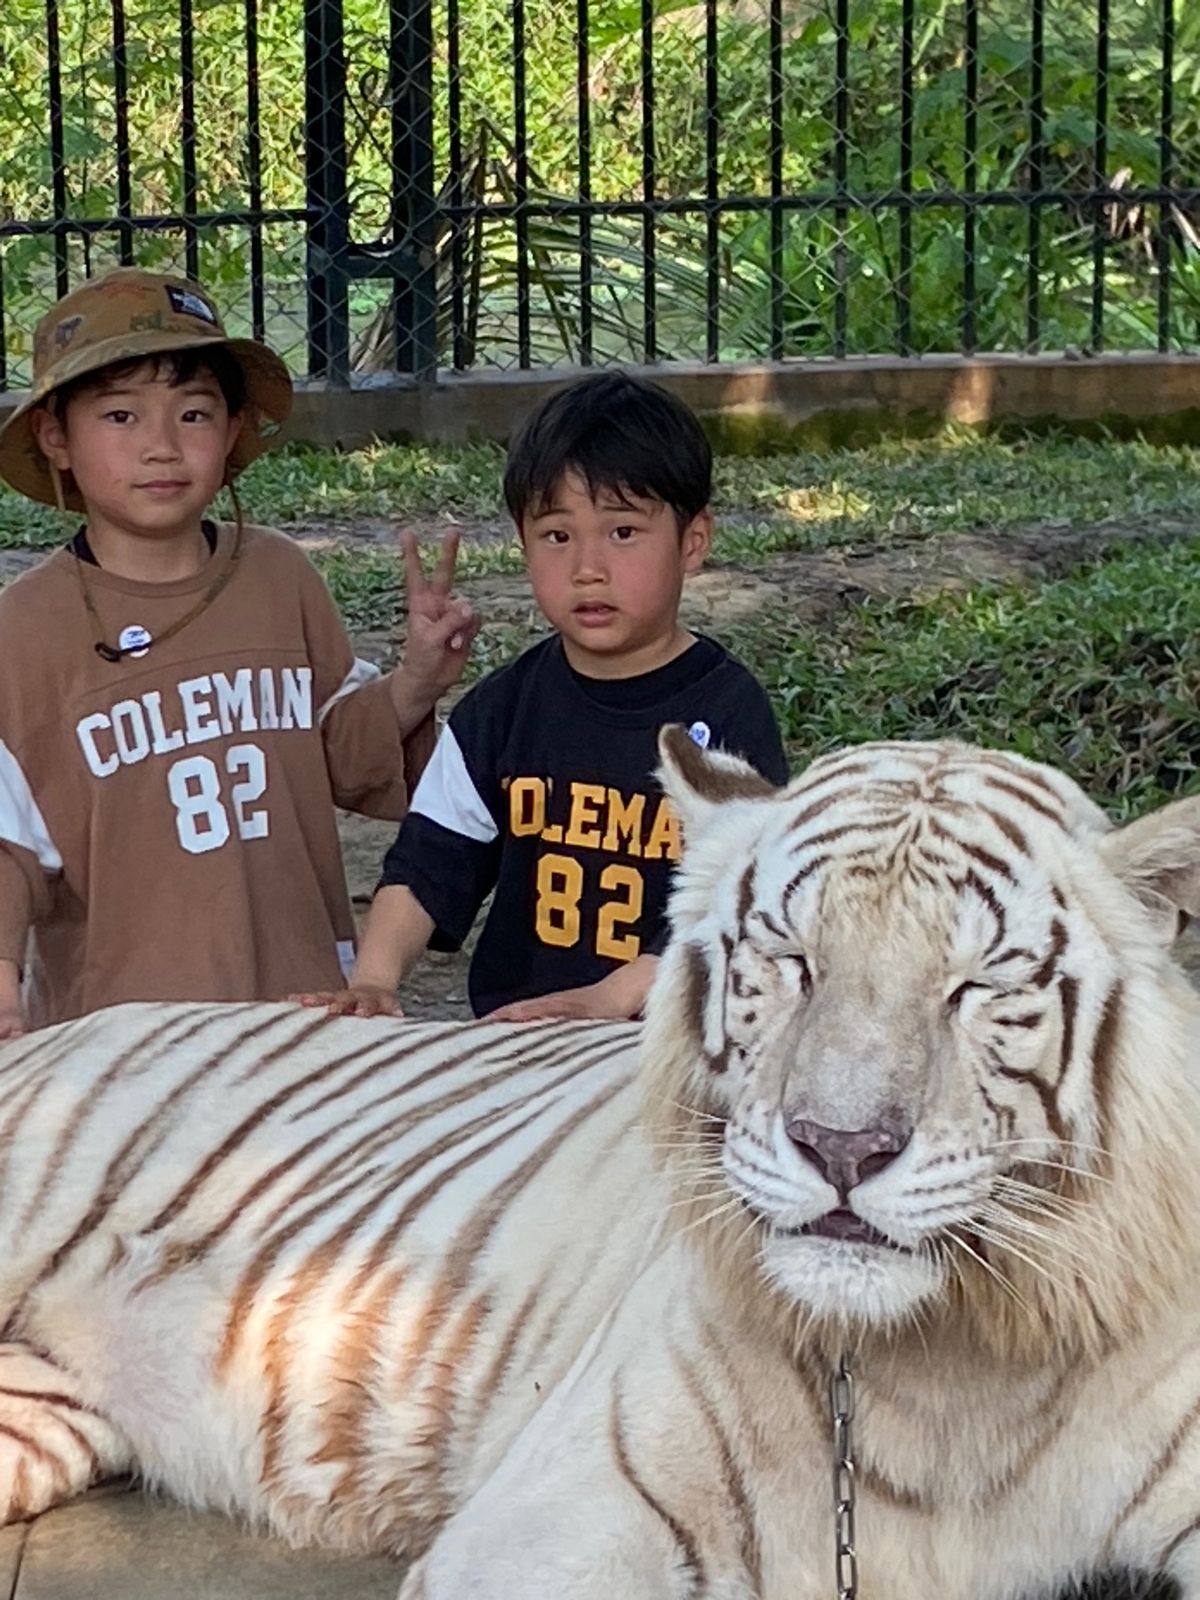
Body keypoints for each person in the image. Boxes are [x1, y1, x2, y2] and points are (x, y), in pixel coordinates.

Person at [0, 266, 478, 1038]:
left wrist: (415, 680)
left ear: (232, 429)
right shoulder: (22, 630)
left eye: (192, 414)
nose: (160, 446)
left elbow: (342, 756)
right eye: (120, 417)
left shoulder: (278, 576)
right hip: (122, 1033)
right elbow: (8, 839)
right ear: (55, 435)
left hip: (301, 1009)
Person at [298, 371, 787, 1025]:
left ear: (692, 542)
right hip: (520, 1037)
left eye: (622, 532)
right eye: (557, 536)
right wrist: (375, 977)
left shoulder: (729, 713)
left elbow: (736, 899)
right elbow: (432, 858)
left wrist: (611, 997)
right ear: (523, 544)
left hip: (666, 1040)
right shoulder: (501, 710)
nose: (588, 566)